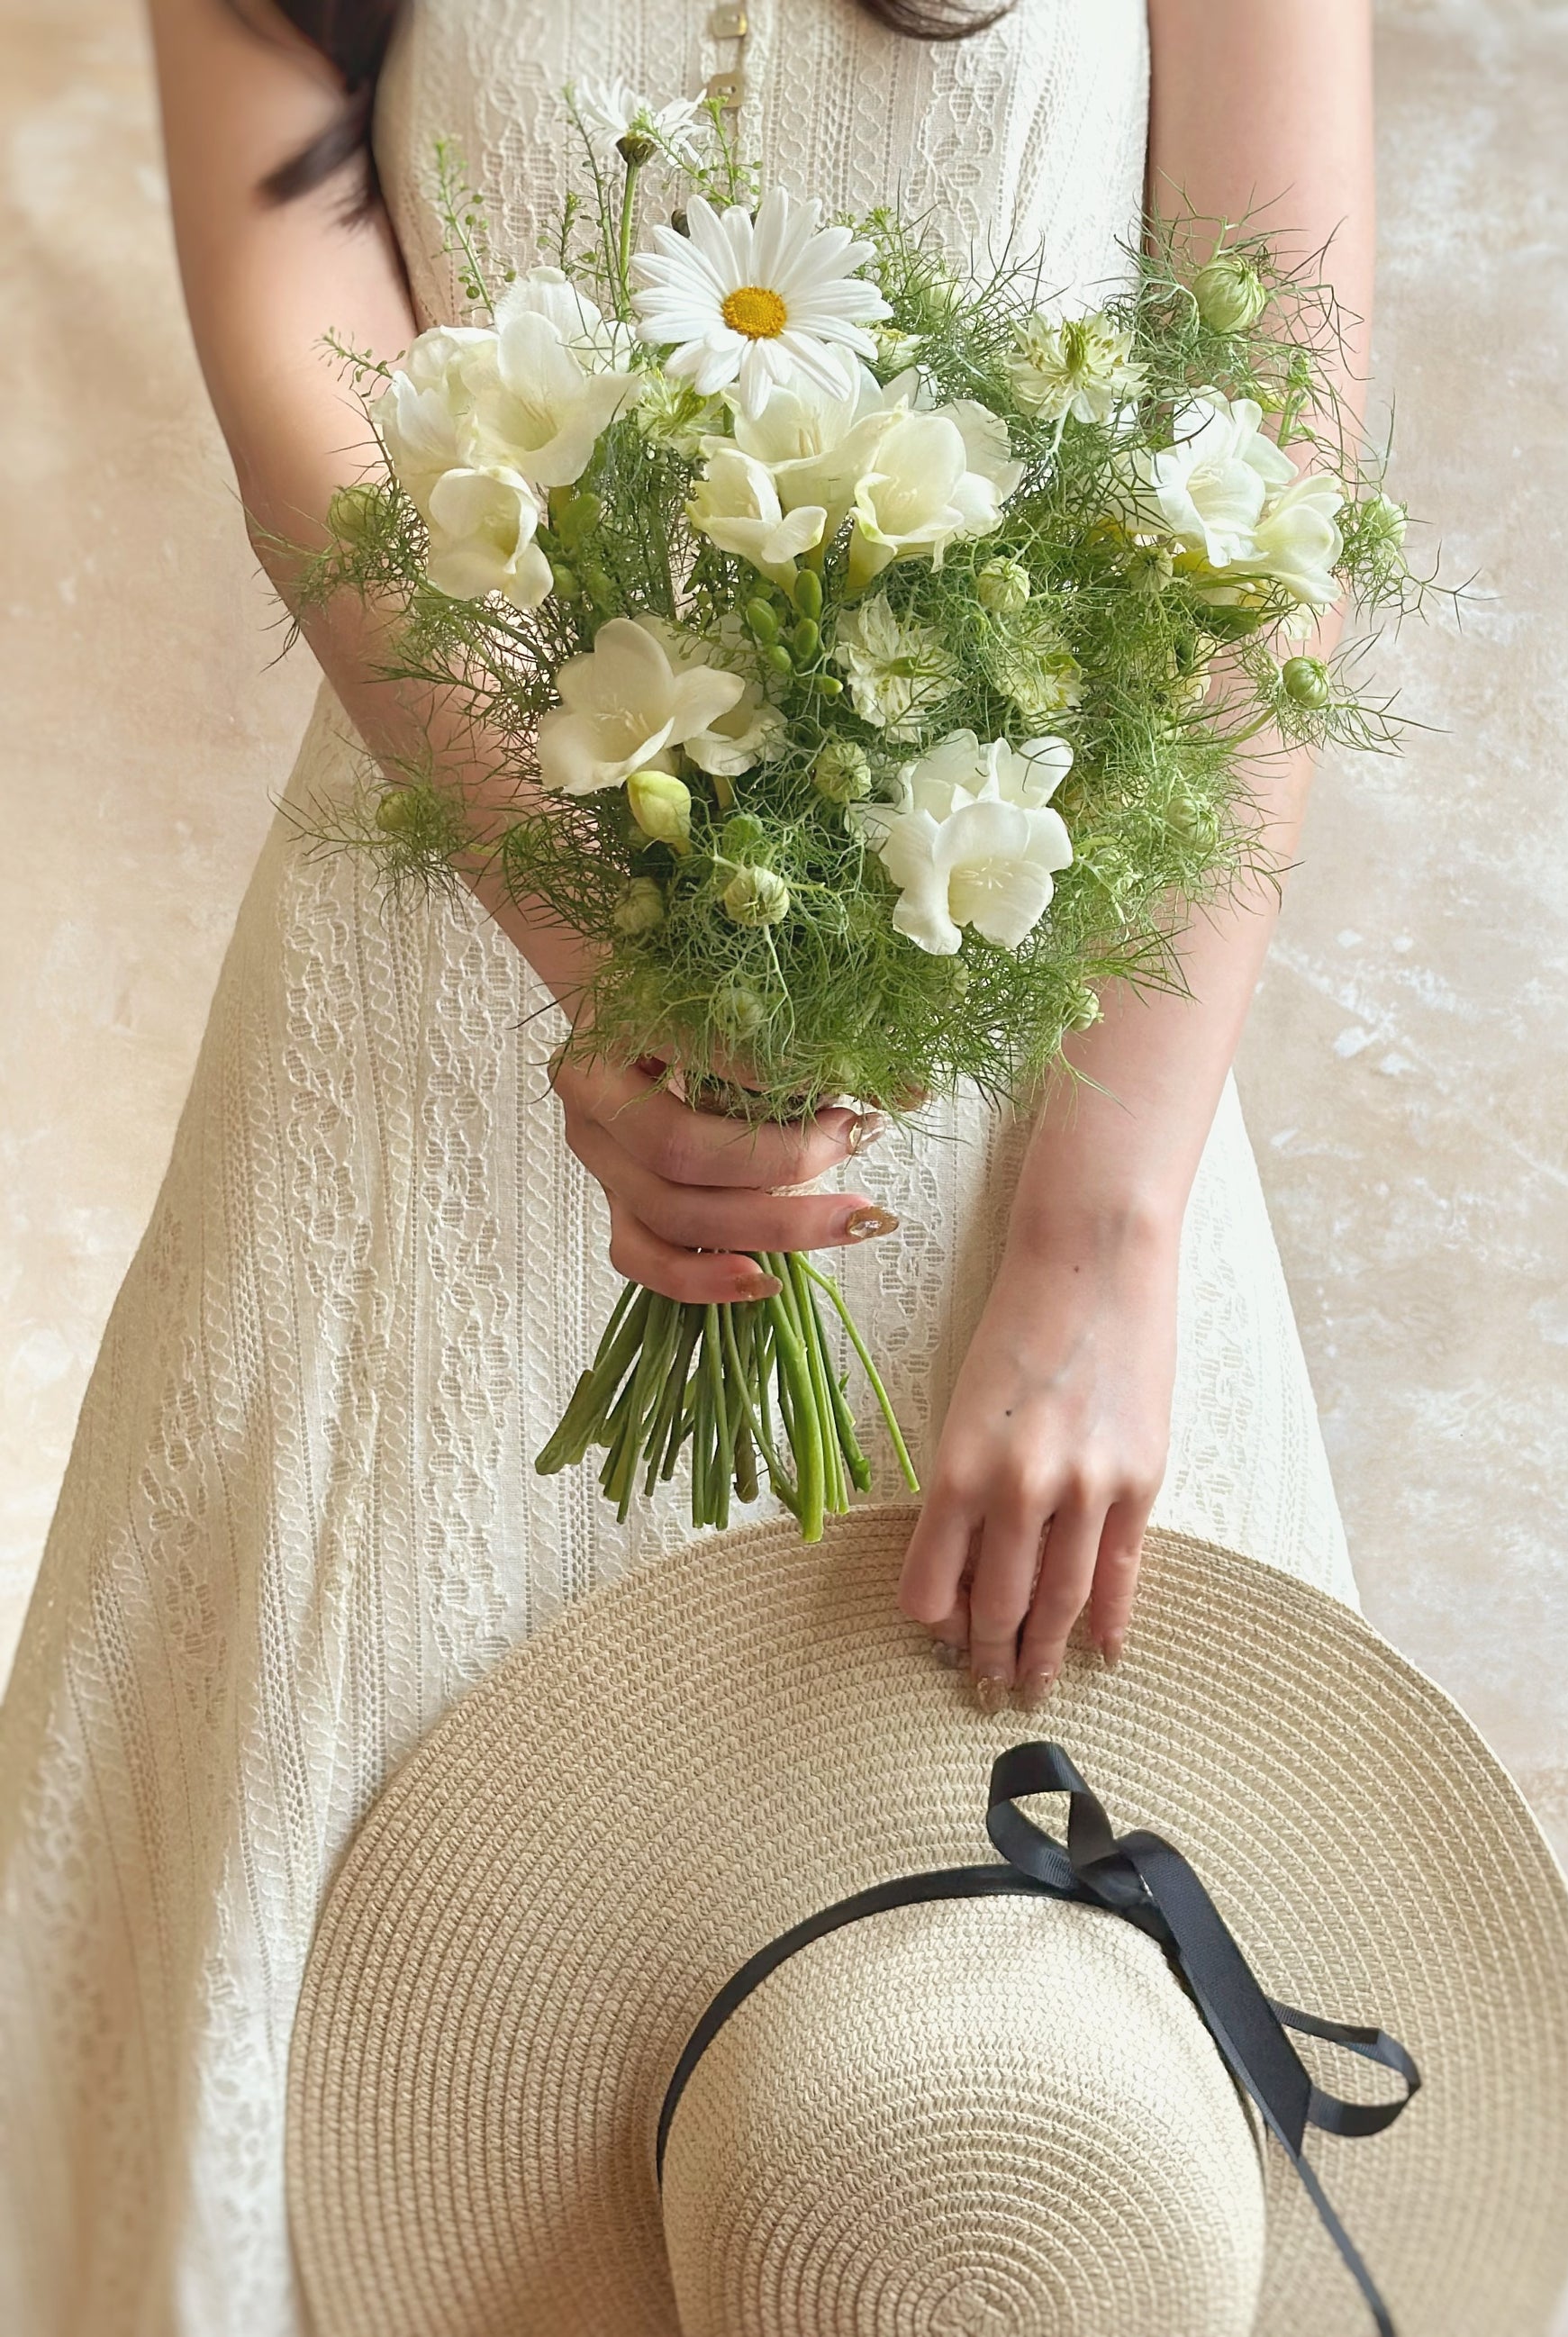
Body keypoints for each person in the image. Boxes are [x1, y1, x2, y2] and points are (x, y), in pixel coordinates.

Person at [0, 2, 1374, 2327]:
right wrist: (611, 967)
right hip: (434, 1076)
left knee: (984, 2187)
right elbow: (302, 361)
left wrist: (1097, 1237)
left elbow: (1276, 437)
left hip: (1019, 1049)